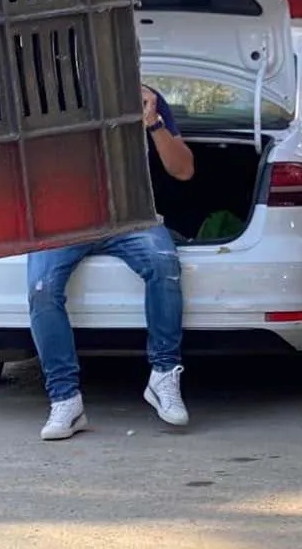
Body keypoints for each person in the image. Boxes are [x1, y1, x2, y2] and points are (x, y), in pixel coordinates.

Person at [28, 82, 196, 439]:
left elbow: (183, 170)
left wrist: (153, 123)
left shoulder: (144, 97)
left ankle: (163, 376)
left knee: (164, 264)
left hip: (131, 217)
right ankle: (65, 401)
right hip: (65, 220)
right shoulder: (44, 98)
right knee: (42, 288)